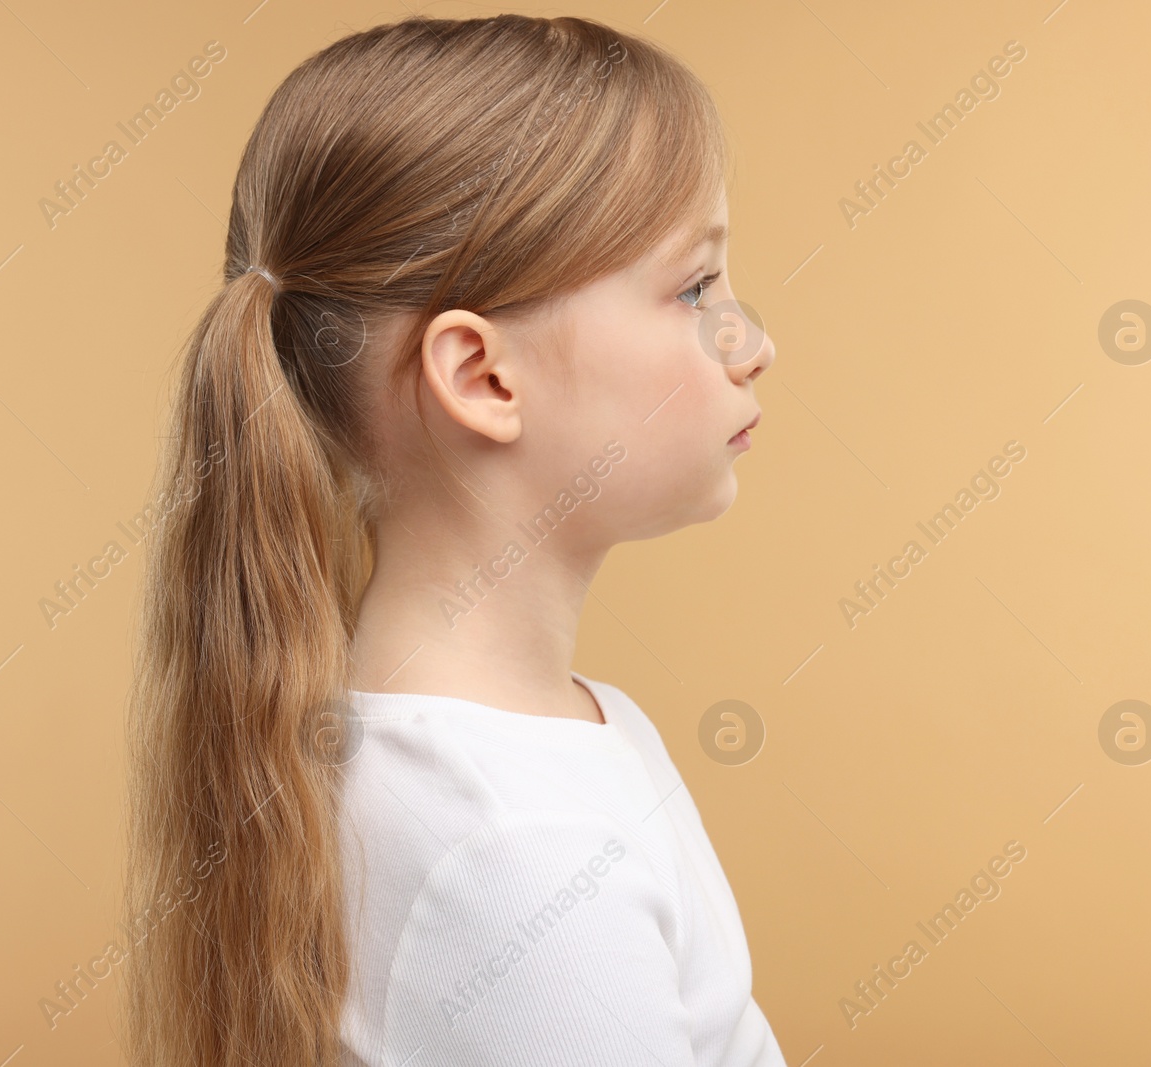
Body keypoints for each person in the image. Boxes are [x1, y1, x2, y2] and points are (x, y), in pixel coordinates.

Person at [123, 13, 781, 1067]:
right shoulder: (519, 856)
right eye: (695, 287)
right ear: (482, 376)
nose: (754, 343)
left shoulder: (550, 745)